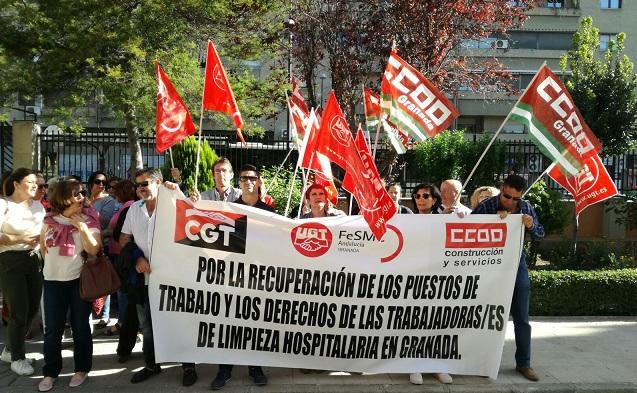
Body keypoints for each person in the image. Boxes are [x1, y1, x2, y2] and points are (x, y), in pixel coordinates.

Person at [119, 168, 197, 386]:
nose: (140, 189)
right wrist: (136, 257)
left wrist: (177, 187)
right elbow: (124, 239)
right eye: (137, 185)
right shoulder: (134, 209)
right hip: (145, 280)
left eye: (145, 184)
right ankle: (152, 364)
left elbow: (194, 219)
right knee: (147, 325)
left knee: (180, 321)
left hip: (174, 278)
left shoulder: (173, 204)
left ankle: (188, 366)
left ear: (158, 182)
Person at [472, 175, 544, 382]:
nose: (511, 202)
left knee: (522, 317)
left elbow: (540, 234)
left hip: (515, 263)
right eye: (507, 196)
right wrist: (493, 220)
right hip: (486, 264)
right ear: (501, 189)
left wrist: (530, 225)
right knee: (483, 314)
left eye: (515, 199)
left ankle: (524, 363)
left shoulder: (526, 207)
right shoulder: (487, 206)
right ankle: (480, 361)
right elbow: (470, 230)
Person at [210, 165, 271, 390]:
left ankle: (255, 368)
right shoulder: (229, 209)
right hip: (232, 276)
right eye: (244, 177)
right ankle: (224, 369)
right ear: (240, 182)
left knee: (255, 325)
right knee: (228, 324)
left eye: (252, 178)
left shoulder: (269, 211)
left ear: (258, 181)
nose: (247, 181)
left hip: (259, 278)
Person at [38, 177, 101, 391]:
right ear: (63, 198)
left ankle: (81, 369)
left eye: (82, 192)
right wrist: (53, 269)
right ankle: (50, 372)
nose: (81, 197)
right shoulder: (49, 220)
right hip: (53, 282)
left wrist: (81, 227)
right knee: (52, 330)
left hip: (78, 282)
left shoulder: (89, 218)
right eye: (76, 194)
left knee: (81, 328)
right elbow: (42, 250)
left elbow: (94, 250)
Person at [0, 168, 45, 376]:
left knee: (32, 308)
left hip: (34, 259)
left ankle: (10, 349)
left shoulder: (38, 206)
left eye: (36, 182)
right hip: (10, 260)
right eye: (30, 182)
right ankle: (17, 358)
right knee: (18, 310)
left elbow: (43, 233)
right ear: (16, 184)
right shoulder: (4, 204)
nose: (35, 185)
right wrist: (19, 240)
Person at [104, 180, 138, 338]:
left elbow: (121, 234)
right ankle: (123, 323)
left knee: (123, 292)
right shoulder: (127, 206)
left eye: (115, 189)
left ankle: (123, 323)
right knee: (122, 291)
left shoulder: (129, 206)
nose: (113, 192)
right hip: (118, 253)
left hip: (122, 255)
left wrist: (107, 232)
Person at [87, 171, 120, 327]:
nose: (101, 185)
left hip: (102, 243)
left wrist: (87, 209)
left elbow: (104, 221)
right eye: (98, 182)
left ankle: (103, 314)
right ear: (91, 183)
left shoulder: (108, 201)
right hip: (83, 244)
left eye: (104, 183)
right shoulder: (84, 198)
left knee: (102, 278)